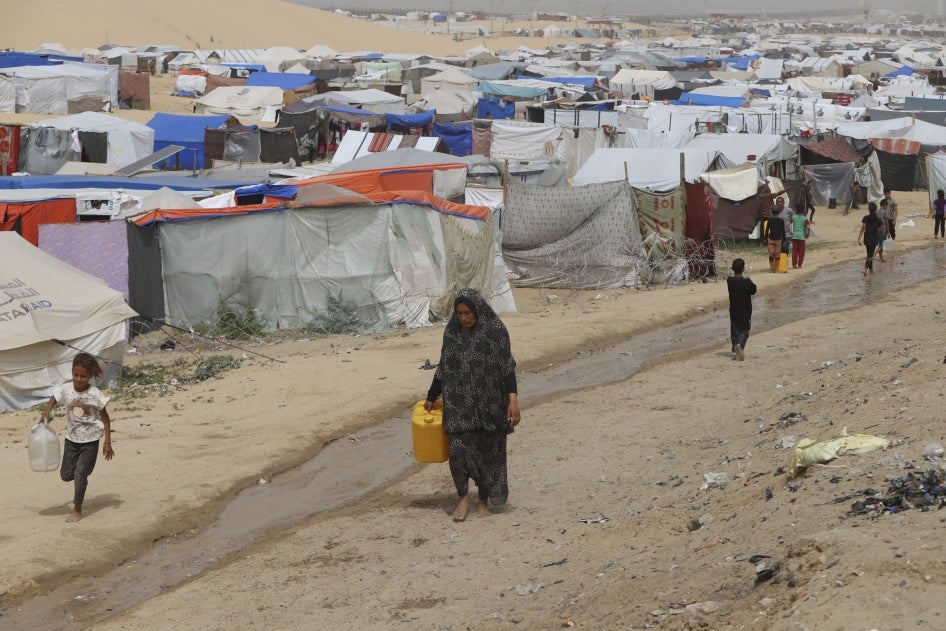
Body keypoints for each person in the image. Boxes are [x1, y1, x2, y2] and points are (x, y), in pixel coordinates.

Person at [424, 289, 520, 522]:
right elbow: (443, 368)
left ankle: (483, 502)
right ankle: (463, 498)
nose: (464, 318)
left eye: (468, 313)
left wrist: (513, 400)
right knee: (458, 453)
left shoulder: (495, 332)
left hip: (490, 406)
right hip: (459, 406)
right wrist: (431, 396)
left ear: (478, 311)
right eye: (459, 313)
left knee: (488, 454)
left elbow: (507, 367)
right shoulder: (452, 333)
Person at [39, 353, 114, 523]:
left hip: (91, 441)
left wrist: (107, 442)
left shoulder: (95, 394)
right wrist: (47, 412)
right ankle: (82, 475)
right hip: (71, 440)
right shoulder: (66, 389)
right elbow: (54, 399)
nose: (79, 379)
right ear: (72, 372)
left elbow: (106, 419)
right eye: (76, 375)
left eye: (83, 376)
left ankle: (77, 508)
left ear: (90, 376)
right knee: (66, 475)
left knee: (80, 474)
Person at [727, 258, 757, 362]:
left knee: (734, 331)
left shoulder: (730, 281)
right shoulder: (747, 281)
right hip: (745, 311)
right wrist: (747, 278)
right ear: (743, 269)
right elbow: (754, 290)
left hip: (734, 311)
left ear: (732, 269)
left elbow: (733, 279)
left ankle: (735, 350)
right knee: (745, 331)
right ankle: (740, 346)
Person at [857, 202, 884, 277]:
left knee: (869, 254)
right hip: (874, 238)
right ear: (875, 210)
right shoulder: (878, 219)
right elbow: (881, 229)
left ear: (869, 210)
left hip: (867, 238)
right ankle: (865, 268)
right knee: (870, 256)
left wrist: (859, 238)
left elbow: (863, 228)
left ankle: (871, 270)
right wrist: (881, 234)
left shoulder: (865, 218)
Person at [763, 201, 787, 273]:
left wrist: (765, 238)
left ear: (772, 212)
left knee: (771, 254)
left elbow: (767, 230)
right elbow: (783, 231)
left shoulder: (769, 220)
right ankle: (776, 269)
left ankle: (771, 269)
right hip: (778, 239)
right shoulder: (781, 221)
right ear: (779, 212)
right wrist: (784, 239)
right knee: (777, 254)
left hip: (770, 238)